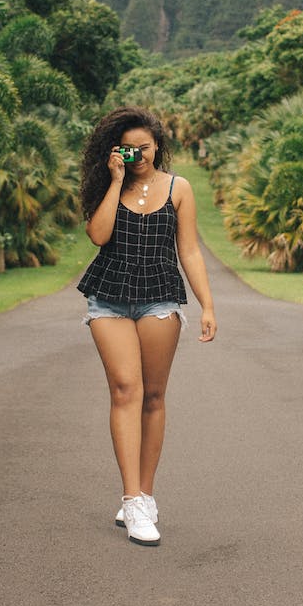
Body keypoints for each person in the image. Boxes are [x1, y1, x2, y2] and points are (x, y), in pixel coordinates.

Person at [77, 106, 217, 547]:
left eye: (144, 146)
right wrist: (116, 181)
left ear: (157, 144)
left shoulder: (179, 188)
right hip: (109, 295)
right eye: (127, 148)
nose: (137, 154)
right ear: (114, 151)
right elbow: (98, 236)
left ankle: (147, 494)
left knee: (153, 396)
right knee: (125, 390)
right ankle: (132, 500)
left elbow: (190, 251)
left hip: (160, 295)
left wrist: (207, 305)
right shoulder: (107, 186)